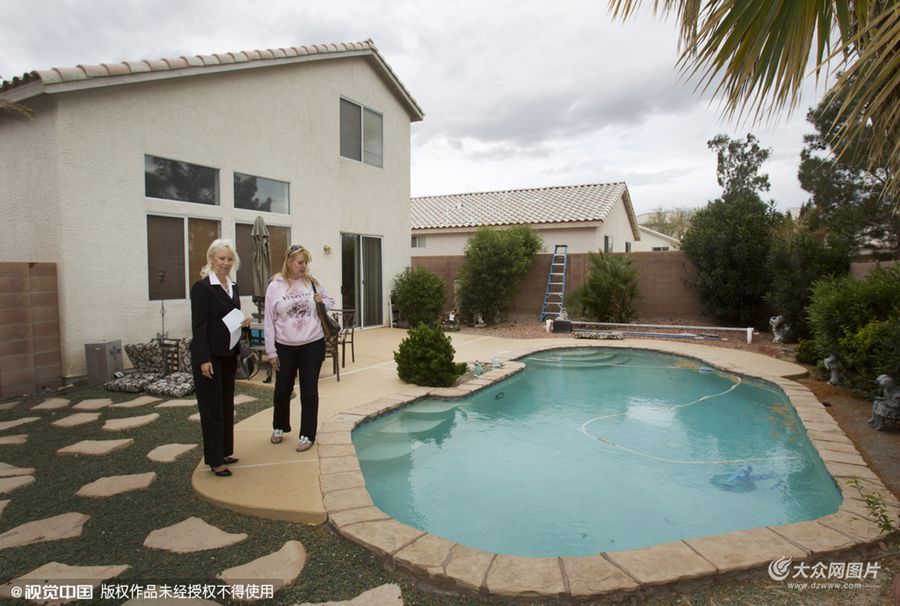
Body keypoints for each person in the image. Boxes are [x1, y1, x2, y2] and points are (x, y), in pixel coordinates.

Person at [264, 244, 334, 452]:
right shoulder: (275, 286)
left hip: (312, 345)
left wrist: (322, 301)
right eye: (300, 262)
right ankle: (279, 426)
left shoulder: (312, 282)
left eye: (306, 263)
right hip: (284, 347)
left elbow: (330, 300)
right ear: (289, 262)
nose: (304, 266)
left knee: (309, 390)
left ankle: (307, 434)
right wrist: (271, 351)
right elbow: (269, 321)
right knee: (282, 389)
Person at [190, 239, 250, 477]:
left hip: (228, 355)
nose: (226, 263)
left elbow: (228, 318)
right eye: (221, 258)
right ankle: (215, 460)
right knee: (212, 408)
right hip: (210, 358)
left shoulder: (233, 286)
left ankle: (224, 452)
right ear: (211, 259)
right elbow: (199, 327)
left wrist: (243, 322)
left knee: (225, 406)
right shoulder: (202, 288)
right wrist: (203, 359)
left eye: (229, 259)